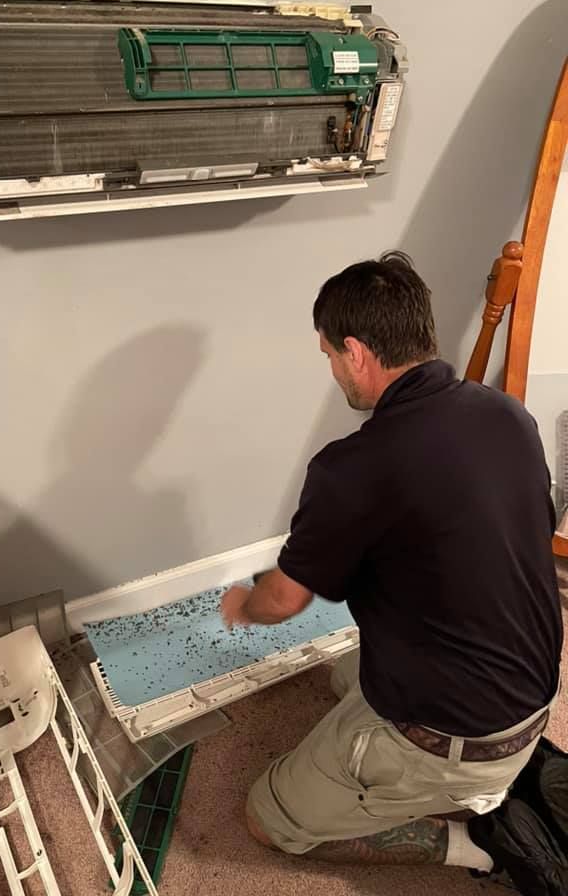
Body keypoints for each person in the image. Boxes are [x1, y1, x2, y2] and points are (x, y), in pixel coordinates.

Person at [220, 251, 562, 870]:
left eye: (329, 355)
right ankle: (495, 773)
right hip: (530, 695)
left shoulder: (353, 469)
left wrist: (243, 604)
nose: (332, 369)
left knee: (266, 819)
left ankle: (478, 845)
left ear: (355, 352)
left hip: (455, 737)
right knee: (343, 677)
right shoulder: (508, 415)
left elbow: (284, 600)